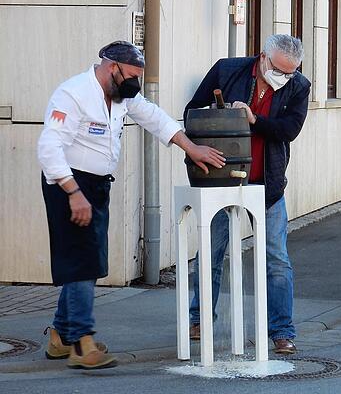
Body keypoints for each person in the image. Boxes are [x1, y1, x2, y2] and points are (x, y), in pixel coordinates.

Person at [37, 41, 226, 370]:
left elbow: (155, 118)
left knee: (88, 260)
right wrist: (73, 193)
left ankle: (61, 336)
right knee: (82, 262)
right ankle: (82, 344)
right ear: (112, 68)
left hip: (96, 186)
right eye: (132, 76)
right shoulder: (73, 94)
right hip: (67, 185)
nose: (134, 84)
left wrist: (190, 147)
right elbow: (49, 147)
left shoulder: (122, 95)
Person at [184, 34, 310, 355]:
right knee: (211, 253)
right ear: (263, 58)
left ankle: (282, 331)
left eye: (290, 72)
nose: (283, 77)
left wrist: (254, 120)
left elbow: (288, 131)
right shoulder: (228, 71)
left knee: (276, 259)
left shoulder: (298, 86)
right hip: (221, 178)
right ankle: (199, 319)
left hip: (267, 184)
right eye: (278, 69)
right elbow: (193, 112)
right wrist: (224, 114)